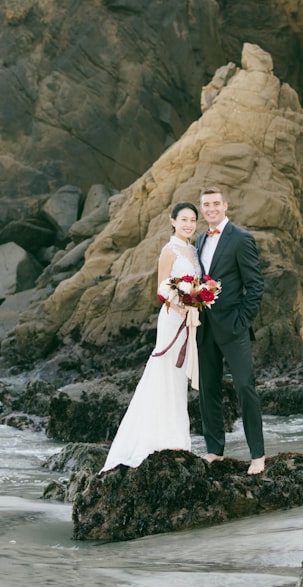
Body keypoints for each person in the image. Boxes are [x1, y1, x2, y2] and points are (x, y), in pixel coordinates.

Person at [101, 201, 201, 472]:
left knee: (179, 377)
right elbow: (161, 287)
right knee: (166, 371)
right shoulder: (169, 250)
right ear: (173, 221)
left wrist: (198, 299)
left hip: (190, 320)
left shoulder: (193, 249)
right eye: (184, 219)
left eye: (193, 219)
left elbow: (198, 283)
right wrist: (182, 303)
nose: (189, 224)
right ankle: (153, 437)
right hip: (172, 318)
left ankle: (177, 437)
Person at [195, 187, 266, 475]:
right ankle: (214, 450)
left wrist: (241, 320)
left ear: (225, 205)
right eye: (206, 205)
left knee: (245, 388)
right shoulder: (199, 240)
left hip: (234, 328)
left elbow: (256, 285)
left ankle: (258, 455)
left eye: (215, 203)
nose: (211, 208)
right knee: (208, 389)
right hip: (204, 328)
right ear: (202, 209)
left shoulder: (241, 239)